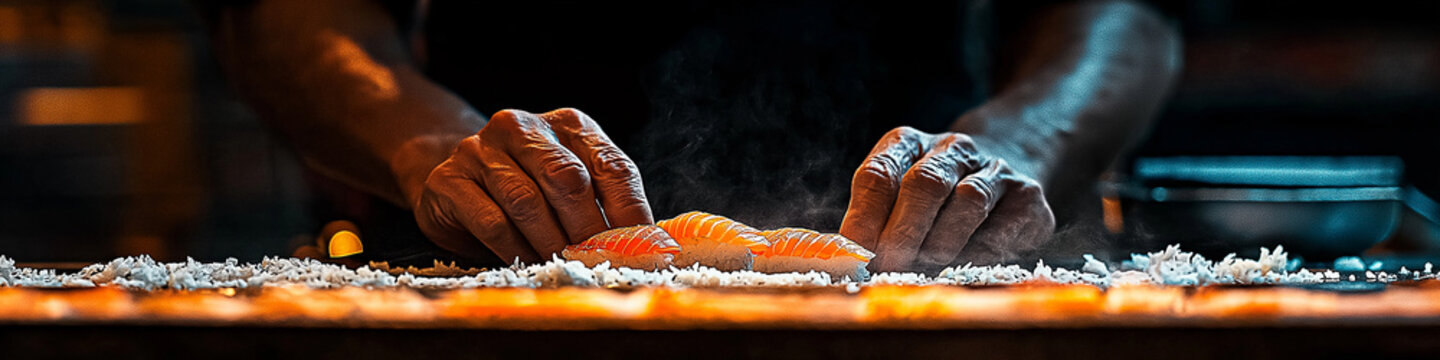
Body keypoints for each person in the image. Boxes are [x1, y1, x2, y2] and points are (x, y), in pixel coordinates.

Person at [199, 0, 1179, 272]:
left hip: (929, 261)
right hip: (498, 255)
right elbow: (282, 17)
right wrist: (423, 143)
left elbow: (1123, 15)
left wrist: (1023, 136)